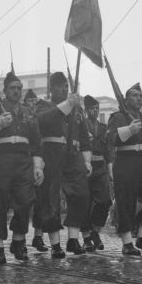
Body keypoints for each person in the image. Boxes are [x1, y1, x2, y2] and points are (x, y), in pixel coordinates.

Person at [0, 73, 44, 264]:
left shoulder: (29, 112)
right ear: (5, 91)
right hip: (0, 161)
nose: (16, 91)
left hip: (23, 162)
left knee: (25, 202)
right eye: (12, 88)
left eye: (19, 88)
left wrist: (37, 166)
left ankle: (17, 241)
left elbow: (36, 142)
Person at [35, 71, 92, 258]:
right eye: (60, 85)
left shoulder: (77, 110)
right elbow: (44, 121)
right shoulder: (42, 105)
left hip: (73, 155)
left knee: (81, 195)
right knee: (50, 199)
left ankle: (73, 239)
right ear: (51, 89)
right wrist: (68, 104)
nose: (65, 88)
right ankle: (55, 244)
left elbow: (84, 136)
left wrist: (87, 160)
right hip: (51, 153)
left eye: (66, 85)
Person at [106, 83, 142, 256]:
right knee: (125, 202)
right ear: (126, 99)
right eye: (134, 95)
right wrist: (129, 130)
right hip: (126, 162)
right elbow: (110, 139)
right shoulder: (117, 117)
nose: (139, 98)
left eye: (140, 95)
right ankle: (127, 242)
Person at [80, 95, 112, 251]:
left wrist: (110, 169)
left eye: (97, 109)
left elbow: (109, 151)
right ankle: (86, 238)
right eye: (92, 109)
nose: (95, 111)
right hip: (84, 167)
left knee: (104, 201)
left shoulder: (104, 128)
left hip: (100, 168)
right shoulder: (81, 126)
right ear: (86, 110)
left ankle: (95, 231)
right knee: (84, 203)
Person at [24, 89, 48, 253]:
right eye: (29, 101)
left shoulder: (43, 114)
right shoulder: (22, 115)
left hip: (41, 158)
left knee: (41, 202)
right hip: (23, 161)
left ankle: (38, 236)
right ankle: (19, 238)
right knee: (23, 201)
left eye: (34, 101)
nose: (32, 104)